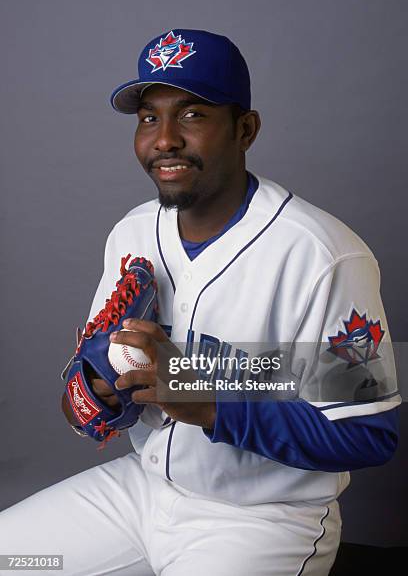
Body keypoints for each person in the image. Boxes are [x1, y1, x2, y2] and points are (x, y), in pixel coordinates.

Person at [0, 28, 401, 576]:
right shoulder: (134, 233)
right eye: (148, 117)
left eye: (192, 114)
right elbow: (91, 386)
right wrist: (102, 388)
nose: (164, 139)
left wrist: (207, 400)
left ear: (245, 129)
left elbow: (367, 435)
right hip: (142, 490)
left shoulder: (323, 255)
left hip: (262, 520)